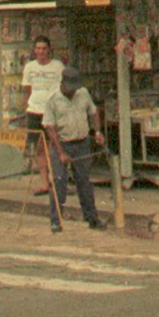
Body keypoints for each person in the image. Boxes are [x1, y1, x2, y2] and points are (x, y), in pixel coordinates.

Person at [41, 65, 106, 231]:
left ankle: (92, 218)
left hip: (81, 142)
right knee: (59, 182)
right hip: (61, 143)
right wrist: (61, 152)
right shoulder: (53, 99)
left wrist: (97, 131)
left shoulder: (83, 93)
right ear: (62, 84)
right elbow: (50, 128)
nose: (72, 92)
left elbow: (93, 112)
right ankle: (56, 220)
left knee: (84, 182)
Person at [19, 36, 63, 194]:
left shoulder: (57, 66)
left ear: (49, 49)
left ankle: (57, 181)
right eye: (38, 48)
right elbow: (27, 90)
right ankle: (45, 183)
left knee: (55, 146)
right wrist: (25, 110)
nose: (41, 52)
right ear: (34, 50)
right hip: (34, 110)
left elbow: (63, 89)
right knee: (39, 148)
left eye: (44, 48)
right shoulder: (30, 67)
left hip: (52, 111)